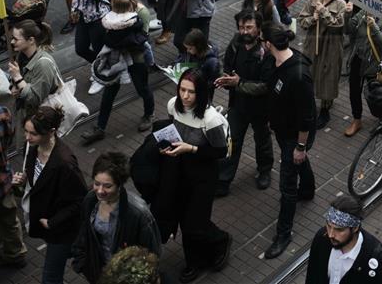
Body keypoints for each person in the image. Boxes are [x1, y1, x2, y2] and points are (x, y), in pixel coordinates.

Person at [152, 69, 231, 283]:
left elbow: (220, 152)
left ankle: (215, 244)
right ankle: (194, 260)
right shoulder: (172, 105)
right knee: (184, 218)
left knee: (194, 224)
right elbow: (173, 130)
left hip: (203, 175)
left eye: (191, 92)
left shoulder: (211, 119)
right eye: (182, 90)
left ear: (201, 93)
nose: (185, 96)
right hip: (178, 170)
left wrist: (192, 149)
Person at [13, 106, 88, 284]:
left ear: (51, 132)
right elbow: (36, 185)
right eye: (26, 131)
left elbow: (79, 201)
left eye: (33, 134)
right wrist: (22, 183)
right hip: (46, 220)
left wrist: (52, 222)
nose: (27, 137)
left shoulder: (65, 164)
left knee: (50, 277)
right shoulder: (31, 147)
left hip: (61, 229)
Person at [261, 22, 317, 259]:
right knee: (297, 161)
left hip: (295, 136)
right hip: (282, 130)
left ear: (268, 44)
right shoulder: (273, 62)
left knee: (287, 184)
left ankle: (284, 233)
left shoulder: (298, 74)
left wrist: (300, 146)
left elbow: (306, 118)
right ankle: (308, 188)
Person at [71, 152, 161, 284]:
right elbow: (84, 233)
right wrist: (83, 264)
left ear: (119, 185)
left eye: (107, 186)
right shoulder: (90, 200)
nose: (100, 191)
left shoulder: (138, 213)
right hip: (100, 274)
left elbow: (152, 254)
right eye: (96, 183)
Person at [81, 0, 156, 142]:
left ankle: (149, 114)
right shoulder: (116, 9)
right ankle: (100, 127)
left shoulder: (141, 12)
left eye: (112, 0)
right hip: (116, 57)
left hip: (135, 57)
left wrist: (116, 39)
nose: (110, 3)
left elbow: (142, 38)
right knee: (109, 91)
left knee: (142, 88)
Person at [215, 10, 274, 195]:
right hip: (238, 105)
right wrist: (226, 78)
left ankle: (264, 171)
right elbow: (227, 65)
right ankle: (224, 179)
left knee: (262, 139)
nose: (244, 32)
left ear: (258, 28)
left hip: (260, 107)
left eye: (249, 27)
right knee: (232, 141)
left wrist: (238, 83)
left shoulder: (266, 51)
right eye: (241, 27)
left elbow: (265, 86)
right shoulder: (235, 43)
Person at [304, 195, 382, 283]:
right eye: (329, 226)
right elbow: (312, 275)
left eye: (339, 230)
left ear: (355, 228)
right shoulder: (322, 237)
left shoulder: (379, 259)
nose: (331, 234)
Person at [0, 96, 28, 276]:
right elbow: (8, 143)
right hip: (3, 181)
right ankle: (16, 254)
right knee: (9, 221)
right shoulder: (2, 112)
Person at [299, 0, 347, 130]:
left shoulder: (341, 5)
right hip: (313, 45)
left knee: (328, 77)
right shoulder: (313, 0)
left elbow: (338, 26)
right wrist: (313, 18)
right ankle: (309, 105)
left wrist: (324, 12)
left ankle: (325, 109)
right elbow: (302, 22)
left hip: (331, 47)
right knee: (309, 74)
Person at [343, 4, 382, 137]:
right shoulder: (363, 13)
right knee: (354, 90)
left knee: (375, 93)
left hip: (375, 63)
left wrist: (373, 26)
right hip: (358, 59)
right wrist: (348, 14)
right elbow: (348, 30)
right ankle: (357, 119)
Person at [7, 20, 59, 138]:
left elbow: (35, 98)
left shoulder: (43, 64)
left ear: (31, 40)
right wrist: (14, 86)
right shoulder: (22, 55)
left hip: (41, 121)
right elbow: (17, 79)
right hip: (28, 115)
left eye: (16, 39)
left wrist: (18, 78)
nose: (12, 42)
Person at [66, 0, 109, 87]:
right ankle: (100, 68)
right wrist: (74, 10)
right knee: (81, 48)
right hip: (84, 17)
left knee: (99, 50)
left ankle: (102, 75)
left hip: (98, 19)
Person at [179, 28, 220, 94]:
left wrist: (199, 84)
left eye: (190, 48)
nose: (187, 51)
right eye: (187, 48)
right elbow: (182, 58)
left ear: (198, 46)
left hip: (202, 93)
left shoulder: (212, 62)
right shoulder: (192, 52)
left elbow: (214, 82)